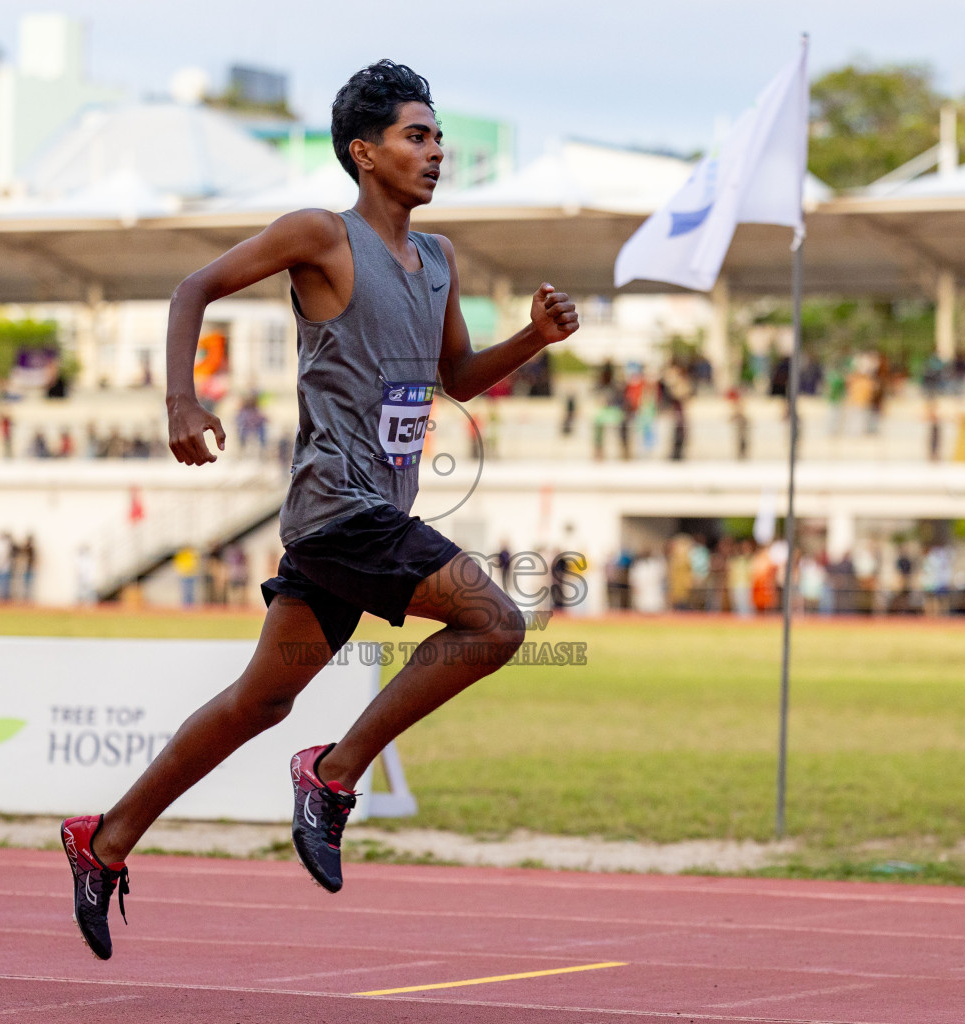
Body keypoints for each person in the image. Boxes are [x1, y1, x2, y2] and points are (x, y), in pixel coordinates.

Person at [59, 61, 578, 962]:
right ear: (363, 152)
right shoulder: (320, 236)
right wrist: (181, 401)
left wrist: (533, 338)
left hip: (365, 515)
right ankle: (332, 774)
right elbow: (193, 290)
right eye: (417, 136)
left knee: (260, 700)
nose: (436, 151)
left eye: (437, 135)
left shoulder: (439, 260)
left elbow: (453, 380)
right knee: (495, 621)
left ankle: (102, 840)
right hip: (341, 508)